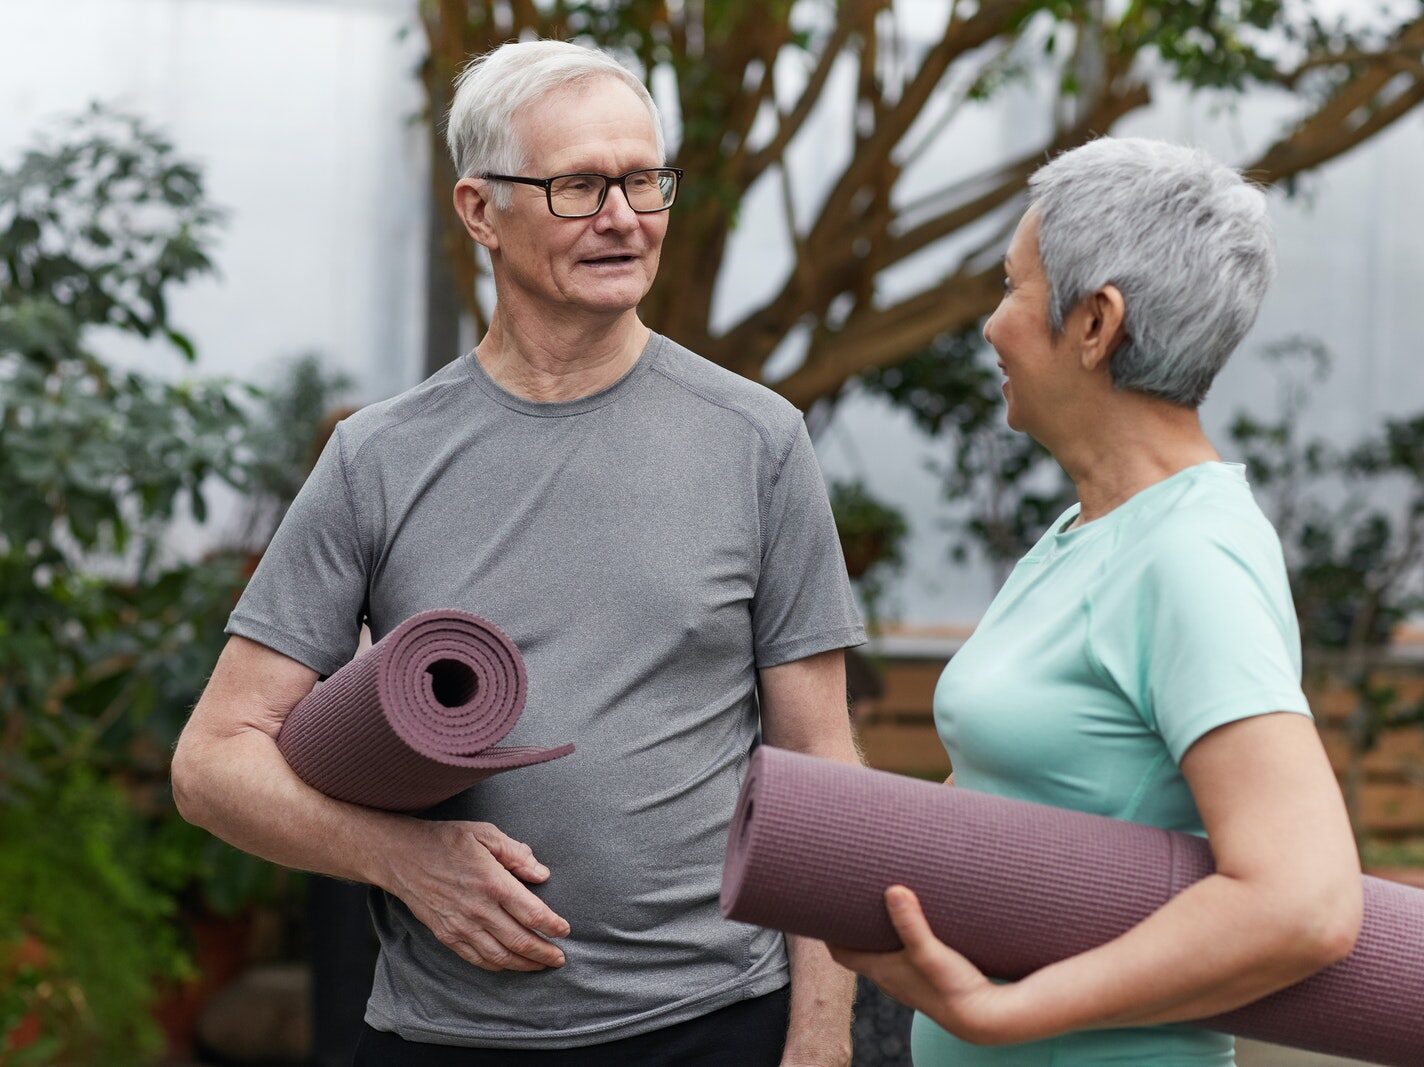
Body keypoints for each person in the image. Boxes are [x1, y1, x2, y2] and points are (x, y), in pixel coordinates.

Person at [171, 39, 866, 1066]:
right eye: (580, 183)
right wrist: (401, 858)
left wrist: (820, 1032)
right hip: (444, 1033)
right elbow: (212, 761)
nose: (623, 216)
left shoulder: (755, 440)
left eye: (642, 179)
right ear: (479, 210)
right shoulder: (378, 456)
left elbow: (819, 762)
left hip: (713, 1025)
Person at [826, 137, 1363, 1066]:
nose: (991, 325)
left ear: (1094, 323)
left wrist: (1010, 1012)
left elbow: (1305, 900)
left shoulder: (1191, 556)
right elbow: (1029, 788)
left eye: (1013, 288)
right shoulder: (1090, 529)